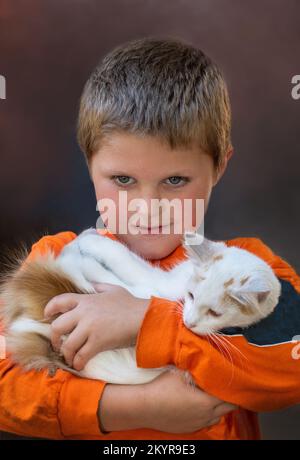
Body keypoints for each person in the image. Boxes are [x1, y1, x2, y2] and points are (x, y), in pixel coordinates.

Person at [0, 37, 299, 440]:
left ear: (218, 169)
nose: (148, 207)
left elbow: (290, 366)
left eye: (175, 180)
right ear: (90, 167)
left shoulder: (252, 270)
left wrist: (147, 320)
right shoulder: (54, 258)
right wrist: (133, 409)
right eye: (123, 180)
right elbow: (6, 381)